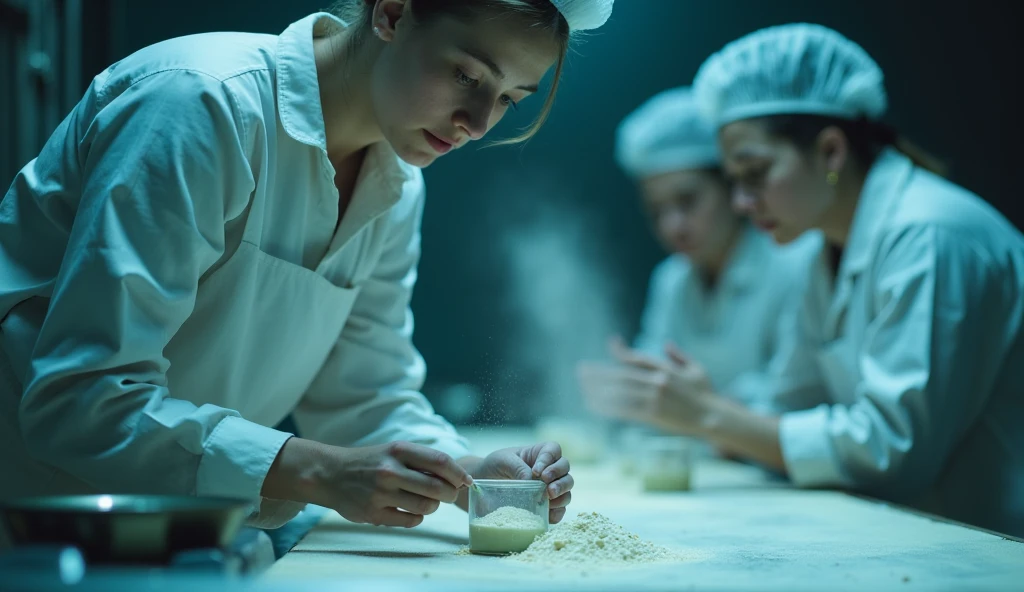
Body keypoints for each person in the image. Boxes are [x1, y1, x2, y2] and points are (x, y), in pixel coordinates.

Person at [0, 0, 615, 530]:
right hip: (34, 523)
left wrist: (471, 479)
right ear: (392, 13)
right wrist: (317, 471)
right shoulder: (203, 104)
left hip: (184, 530)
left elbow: (364, 395)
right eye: (466, 75)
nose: (478, 124)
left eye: (508, 98)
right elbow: (82, 399)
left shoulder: (397, 182)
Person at [580, 23, 1024, 538]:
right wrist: (703, 407)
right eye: (735, 181)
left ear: (831, 152)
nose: (743, 203)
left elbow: (894, 451)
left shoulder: (927, 234)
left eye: (755, 173)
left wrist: (710, 415)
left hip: (993, 549)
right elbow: (791, 401)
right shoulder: (828, 250)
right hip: (924, 537)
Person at [589, 86, 819, 420]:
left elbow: (795, 399)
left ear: (730, 187)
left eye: (687, 201)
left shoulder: (793, 263)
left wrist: (698, 403)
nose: (673, 226)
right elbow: (656, 376)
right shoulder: (673, 280)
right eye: (656, 211)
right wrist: (629, 386)